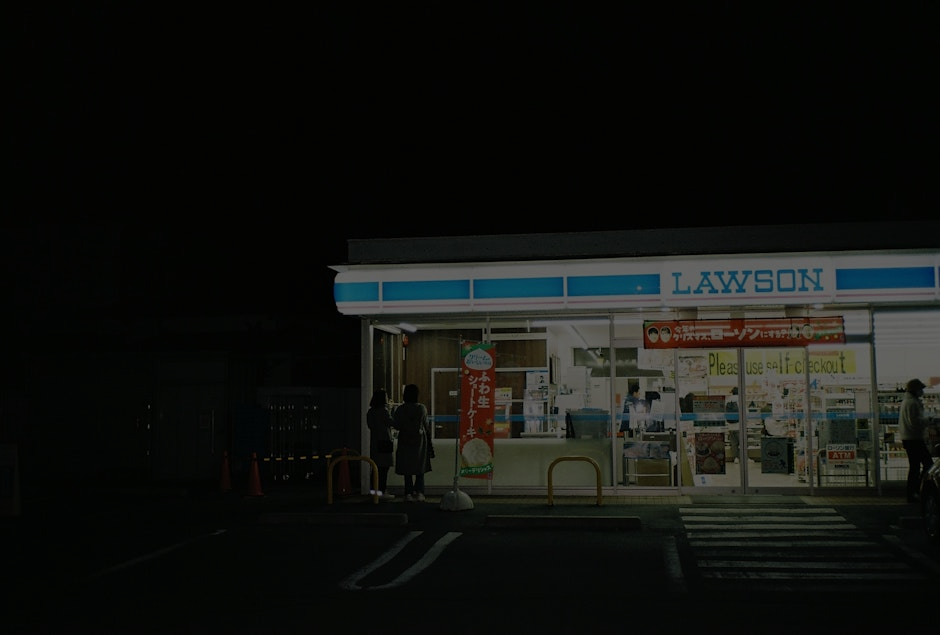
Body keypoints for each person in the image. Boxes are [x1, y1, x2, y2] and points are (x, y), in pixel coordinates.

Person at [392, 383, 432, 502]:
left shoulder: (400, 409)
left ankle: (408, 493)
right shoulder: (421, 408)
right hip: (419, 440)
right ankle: (419, 492)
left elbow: (396, 425)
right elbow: (426, 425)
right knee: (419, 466)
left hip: (404, 439)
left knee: (407, 467)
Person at [898, 378, 935, 503]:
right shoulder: (912, 403)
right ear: (915, 389)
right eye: (920, 389)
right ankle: (918, 489)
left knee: (915, 466)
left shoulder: (907, 401)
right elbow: (914, 422)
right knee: (927, 464)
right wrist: (928, 420)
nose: (922, 391)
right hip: (914, 438)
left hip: (909, 438)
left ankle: (913, 492)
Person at [366, 388, 395, 500]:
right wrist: (391, 410)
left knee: (375, 468)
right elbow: (391, 422)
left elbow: (370, 426)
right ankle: (382, 491)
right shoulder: (383, 411)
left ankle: (374, 491)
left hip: (375, 442)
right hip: (385, 441)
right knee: (384, 468)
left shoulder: (370, 412)